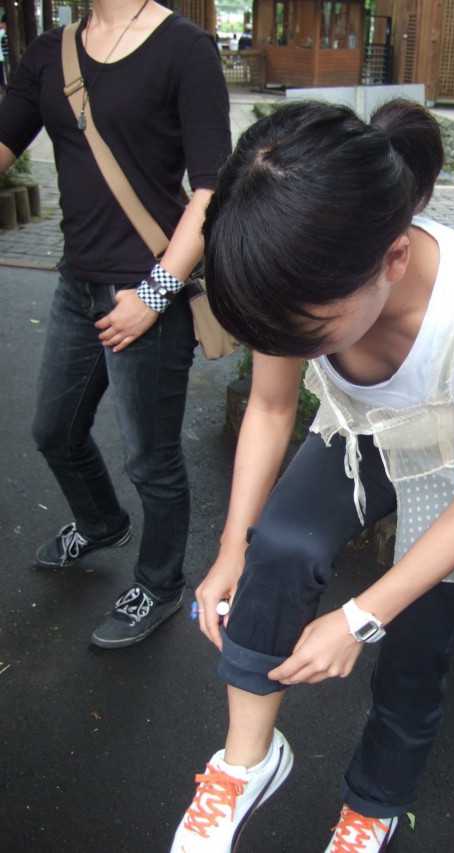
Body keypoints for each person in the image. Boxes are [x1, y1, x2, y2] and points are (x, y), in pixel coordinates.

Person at [170, 99, 454, 851]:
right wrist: (230, 549)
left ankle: (374, 802)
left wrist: (359, 617)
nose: (290, 346)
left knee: (415, 641)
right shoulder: (295, 270)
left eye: (306, 334)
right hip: (370, 430)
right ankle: (247, 762)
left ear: (394, 260)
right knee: (276, 546)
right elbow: (271, 406)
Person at [0, 0, 230, 647]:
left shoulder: (185, 49)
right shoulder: (51, 51)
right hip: (76, 284)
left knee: (151, 460)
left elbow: (214, 189)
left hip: (148, 291)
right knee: (55, 430)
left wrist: (155, 294)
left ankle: (159, 584)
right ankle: (101, 522)